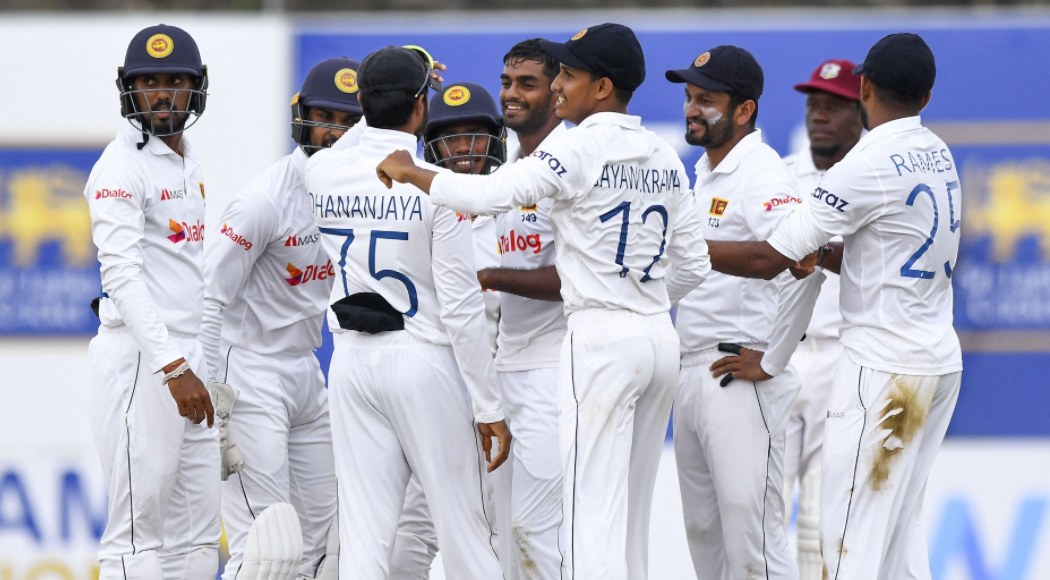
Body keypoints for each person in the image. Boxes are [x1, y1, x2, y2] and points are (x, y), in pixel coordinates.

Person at [377, 23, 711, 580]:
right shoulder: (661, 151)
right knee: (628, 519)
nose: (559, 85)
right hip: (657, 337)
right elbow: (695, 264)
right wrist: (641, 303)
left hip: (598, 341)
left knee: (585, 522)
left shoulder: (578, 145)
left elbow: (488, 194)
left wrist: (413, 171)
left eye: (569, 75)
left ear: (602, 87)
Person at [704, 33, 962, 580]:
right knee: (899, 540)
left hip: (881, 367)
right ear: (926, 97)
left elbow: (771, 258)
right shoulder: (938, 151)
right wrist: (818, 252)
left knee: (847, 542)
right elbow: (875, 255)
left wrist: (678, 247)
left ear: (864, 88)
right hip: (937, 361)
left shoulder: (865, 162)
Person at [306, 45, 511, 580]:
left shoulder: (320, 172)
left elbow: (360, 136)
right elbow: (462, 308)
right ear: (422, 107)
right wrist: (488, 405)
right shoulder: (432, 184)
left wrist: (391, 87)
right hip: (423, 360)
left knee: (364, 540)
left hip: (351, 365)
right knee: (466, 532)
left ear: (362, 103)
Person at [201, 56, 363, 579]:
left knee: (322, 540)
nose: (335, 132)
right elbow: (209, 297)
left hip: (305, 369)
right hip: (249, 373)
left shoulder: (361, 191)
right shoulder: (263, 201)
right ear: (301, 117)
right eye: (325, 118)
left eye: (349, 121)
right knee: (265, 546)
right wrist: (212, 391)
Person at [664, 44, 819, 580]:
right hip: (693, 369)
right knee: (704, 533)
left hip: (739, 371)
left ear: (745, 109)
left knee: (752, 538)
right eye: (689, 97)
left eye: (706, 100)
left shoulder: (762, 171)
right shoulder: (706, 173)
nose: (692, 109)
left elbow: (804, 260)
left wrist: (774, 358)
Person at [84, 23, 219, 579]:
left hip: (186, 357)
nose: (162, 95)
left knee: (198, 535)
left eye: (175, 82)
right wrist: (175, 367)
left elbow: (187, 276)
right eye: (149, 83)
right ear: (128, 87)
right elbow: (122, 275)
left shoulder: (187, 160)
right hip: (144, 360)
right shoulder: (120, 168)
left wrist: (202, 363)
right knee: (136, 535)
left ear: (197, 86)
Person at [385, 80, 510, 579]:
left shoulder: (515, 206)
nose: (463, 148)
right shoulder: (412, 207)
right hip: (432, 389)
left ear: (495, 140)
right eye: (450, 137)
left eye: (474, 134)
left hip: (501, 393)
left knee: (497, 536)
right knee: (407, 538)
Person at [478, 38, 569, 580]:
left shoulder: (572, 165)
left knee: (539, 532)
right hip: (506, 367)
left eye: (527, 84)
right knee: (503, 535)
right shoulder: (508, 169)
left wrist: (488, 277)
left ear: (558, 93)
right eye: (507, 82)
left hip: (556, 369)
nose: (511, 94)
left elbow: (577, 279)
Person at [780, 58, 863, 580]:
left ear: (862, 112)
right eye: (814, 105)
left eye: (834, 106)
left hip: (841, 353)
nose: (820, 116)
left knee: (822, 517)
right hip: (781, 353)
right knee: (760, 506)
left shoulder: (874, 179)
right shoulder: (781, 175)